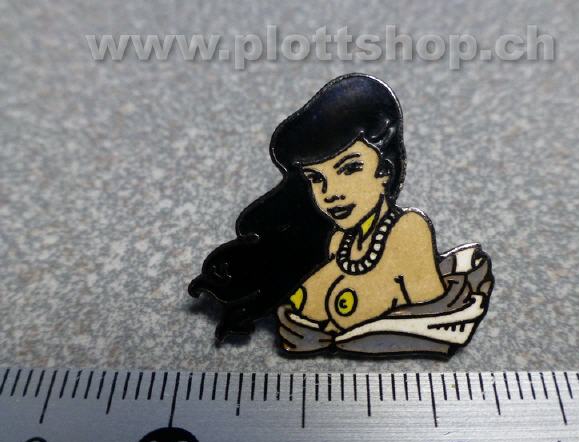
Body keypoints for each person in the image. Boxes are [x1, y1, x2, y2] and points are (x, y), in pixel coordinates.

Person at [190, 74, 493, 357]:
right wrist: (291, 321)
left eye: (350, 169)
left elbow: (434, 318)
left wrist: (334, 340)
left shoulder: (408, 231)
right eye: (316, 178)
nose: (330, 193)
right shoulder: (337, 242)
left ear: (385, 171)